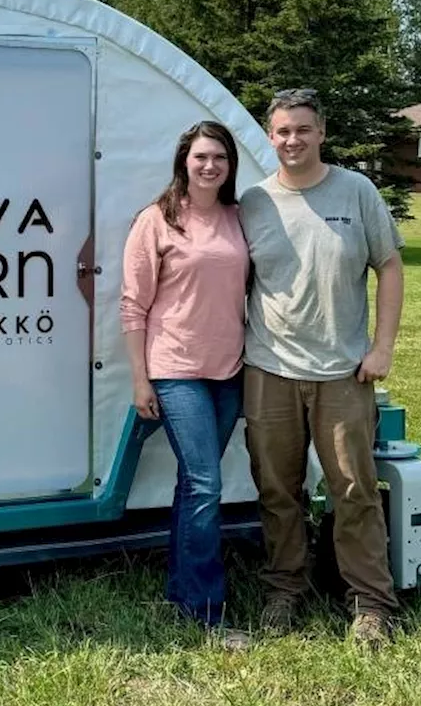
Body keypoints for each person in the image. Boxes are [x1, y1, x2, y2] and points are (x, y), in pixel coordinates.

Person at [237, 88, 405, 648]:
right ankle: (286, 589)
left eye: (302, 130)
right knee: (276, 490)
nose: (292, 140)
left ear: (321, 133)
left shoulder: (355, 192)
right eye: (282, 131)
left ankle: (370, 603)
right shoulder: (254, 202)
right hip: (269, 369)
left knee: (353, 488)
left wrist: (382, 348)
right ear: (270, 135)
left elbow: (391, 266)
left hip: (341, 373)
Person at [119, 120, 250, 629]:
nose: (210, 165)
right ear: (184, 162)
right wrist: (139, 379)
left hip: (229, 370)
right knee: (206, 484)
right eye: (200, 157)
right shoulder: (157, 220)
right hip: (175, 370)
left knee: (195, 486)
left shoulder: (239, 218)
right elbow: (133, 305)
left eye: (219, 157)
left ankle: (181, 589)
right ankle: (206, 608)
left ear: (230, 165)